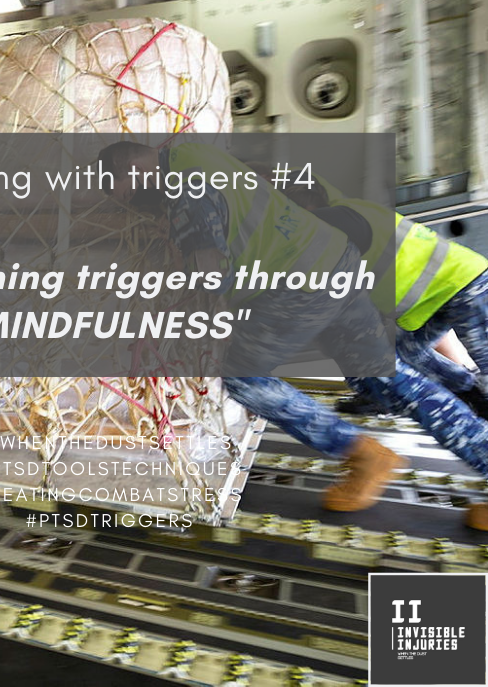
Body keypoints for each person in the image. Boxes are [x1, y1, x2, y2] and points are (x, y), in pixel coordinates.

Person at [98, 139, 404, 513]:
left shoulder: (183, 192)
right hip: (335, 257)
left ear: (133, 172)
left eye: (129, 196)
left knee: (242, 375)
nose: (137, 207)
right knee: (384, 372)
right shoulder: (192, 152)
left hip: (300, 281)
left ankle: (358, 451)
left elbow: (210, 276)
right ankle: (465, 411)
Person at [283, 180, 488, 529]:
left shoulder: (335, 223)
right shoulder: (349, 211)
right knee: (405, 356)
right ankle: (471, 394)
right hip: (438, 297)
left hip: (465, 288)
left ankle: (472, 400)